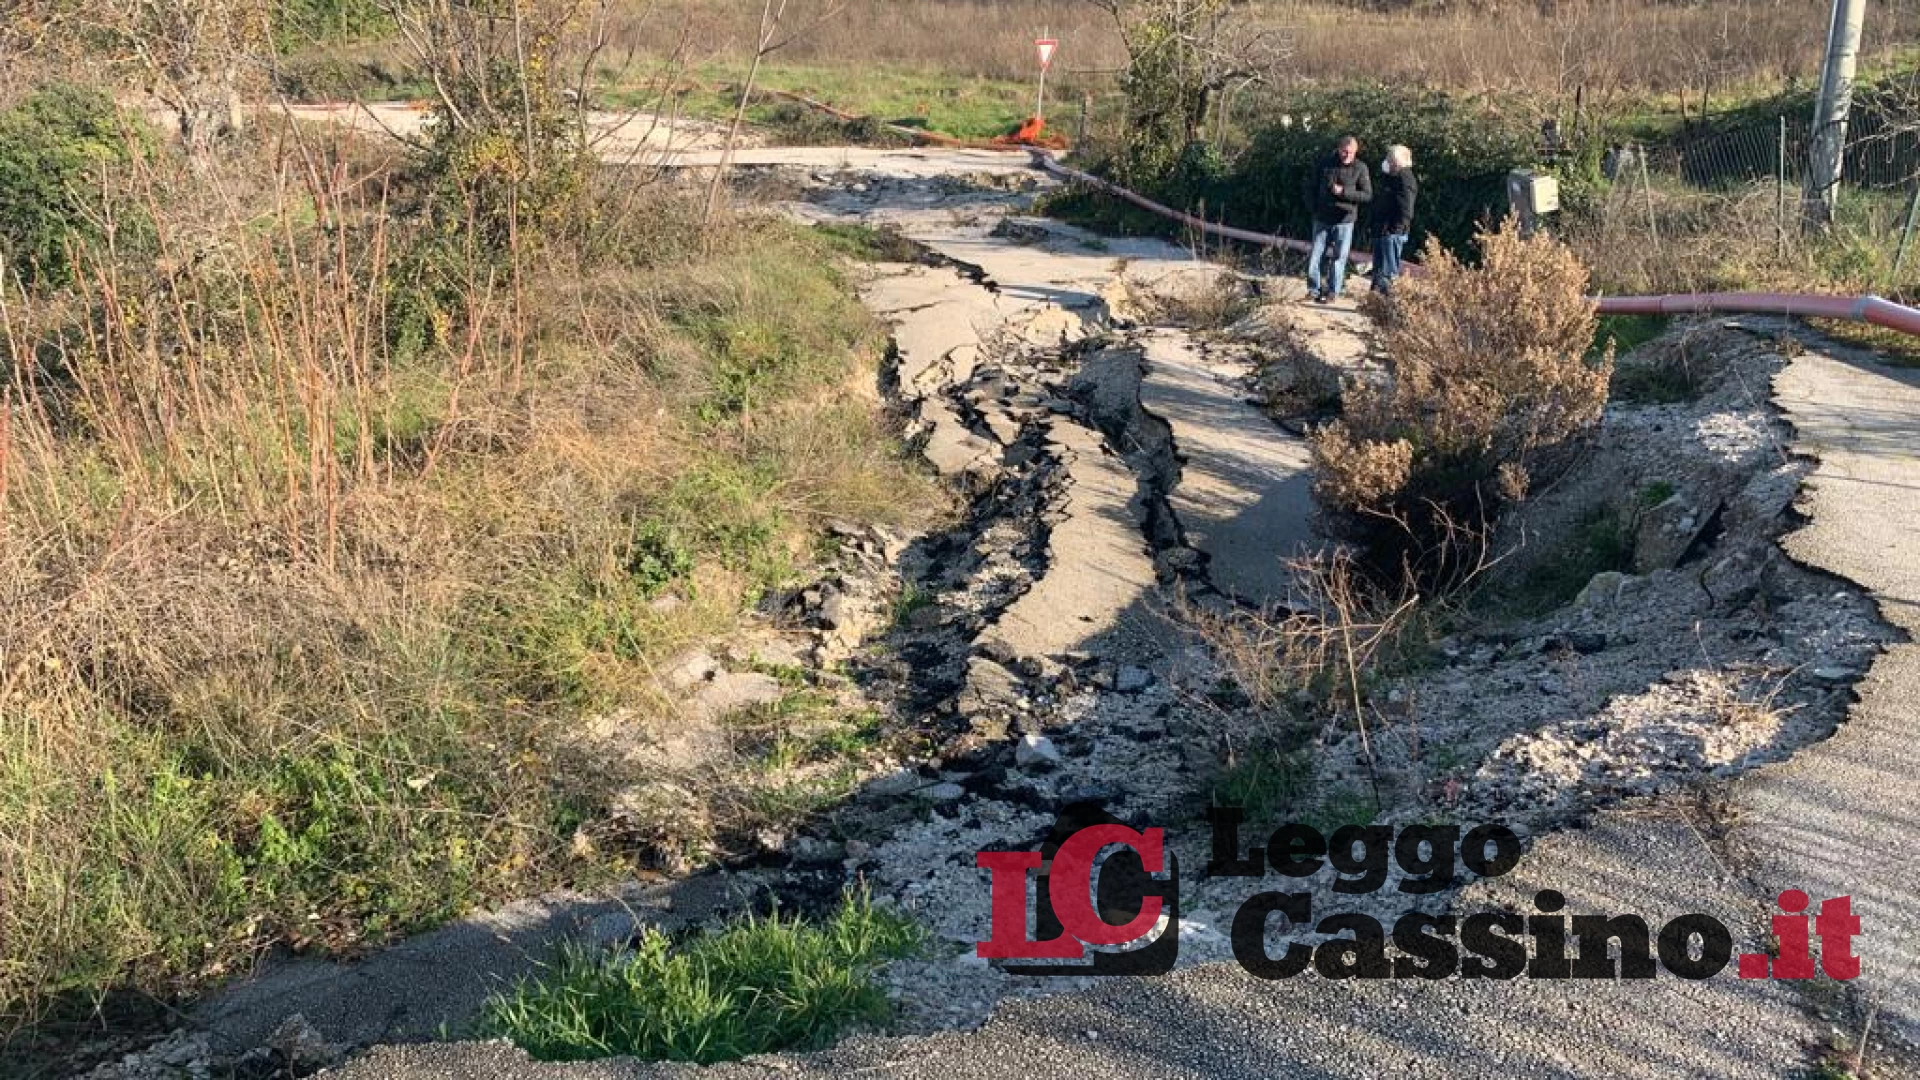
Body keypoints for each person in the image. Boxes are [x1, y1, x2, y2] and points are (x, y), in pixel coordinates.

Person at [1302, 135, 1371, 303]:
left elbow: (1367, 195)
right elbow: (1310, 186)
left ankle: (1333, 291)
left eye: (1351, 152)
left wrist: (1344, 192)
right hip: (1322, 218)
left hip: (1345, 221)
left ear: (1356, 152)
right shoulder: (1325, 164)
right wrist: (1313, 208)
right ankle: (1313, 290)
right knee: (1315, 255)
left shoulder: (1361, 168)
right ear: (1338, 149)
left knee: (1339, 258)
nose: (1347, 155)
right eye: (1344, 151)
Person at [1370, 144, 1417, 298]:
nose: (1388, 162)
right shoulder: (1392, 177)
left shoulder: (1404, 178)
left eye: (1392, 160)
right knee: (1379, 269)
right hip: (1382, 227)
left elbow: (1406, 208)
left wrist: (1396, 228)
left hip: (1392, 230)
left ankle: (1389, 300)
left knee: (1388, 271)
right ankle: (1375, 299)